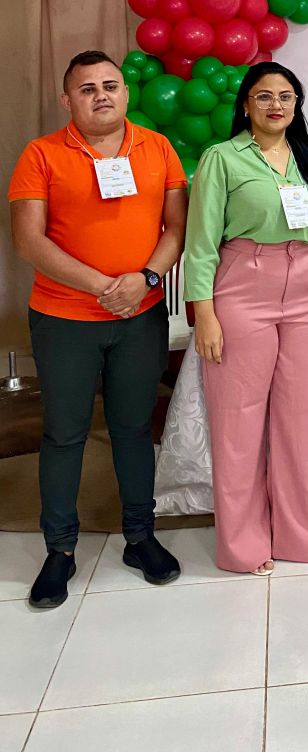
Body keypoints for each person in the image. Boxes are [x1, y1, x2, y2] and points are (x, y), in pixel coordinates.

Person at [9, 51, 188, 608]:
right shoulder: (41, 154)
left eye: (111, 85)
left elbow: (177, 226)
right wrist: (105, 286)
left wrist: (145, 278)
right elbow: (29, 240)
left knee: (133, 429)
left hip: (139, 318)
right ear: (68, 100)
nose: (101, 95)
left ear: (126, 93)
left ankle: (140, 537)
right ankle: (59, 550)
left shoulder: (157, 148)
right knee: (64, 433)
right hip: (64, 320)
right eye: (87, 88)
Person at [184, 62, 308, 575]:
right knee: (239, 423)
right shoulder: (222, 158)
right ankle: (243, 545)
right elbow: (200, 243)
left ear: (297, 105)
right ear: (246, 105)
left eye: (286, 96)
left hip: (304, 291)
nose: (276, 105)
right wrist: (205, 313)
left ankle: (298, 536)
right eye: (264, 96)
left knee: (300, 421)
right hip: (242, 289)